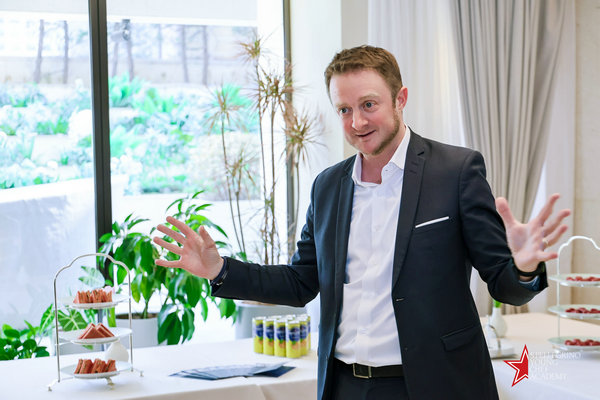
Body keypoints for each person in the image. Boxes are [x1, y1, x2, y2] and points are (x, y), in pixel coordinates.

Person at [154, 46, 570, 400]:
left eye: (369, 105)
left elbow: (505, 285)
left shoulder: (456, 171)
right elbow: (300, 283)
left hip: (435, 384)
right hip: (344, 386)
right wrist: (219, 269)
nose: (357, 122)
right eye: (344, 109)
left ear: (400, 98)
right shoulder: (327, 186)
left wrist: (523, 266)